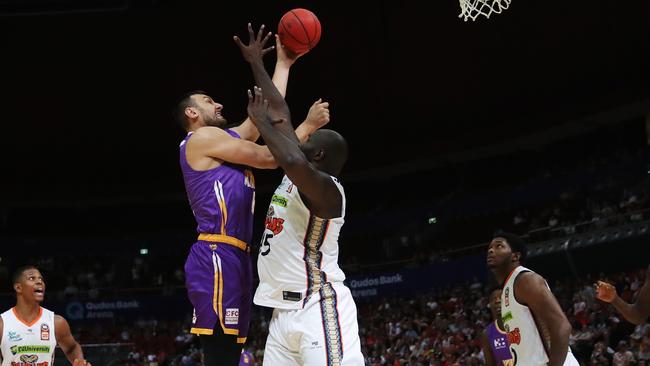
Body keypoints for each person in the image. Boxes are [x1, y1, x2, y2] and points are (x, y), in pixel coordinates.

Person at [177, 24, 329, 366]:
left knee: (232, 350)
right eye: (206, 102)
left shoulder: (225, 141)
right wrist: (306, 127)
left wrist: (284, 65)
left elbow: (261, 118)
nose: (217, 103)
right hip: (216, 252)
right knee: (219, 350)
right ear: (191, 113)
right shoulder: (202, 140)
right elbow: (267, 157)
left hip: (237, 255)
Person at [238, 42, 364, 365]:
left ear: (319, 155)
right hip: (282, 315)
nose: (301, 138)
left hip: (318, 306)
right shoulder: (299, 171)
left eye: (309, 140)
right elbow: (280, 114)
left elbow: (290, 155)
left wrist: (261, 123)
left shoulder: (328, 191)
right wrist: (259, 63)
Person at [487, 232, 578, 366]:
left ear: (515, 256)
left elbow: (562, 326)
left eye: (499, 246)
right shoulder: (508, 288)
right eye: (489, 247)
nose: (490, 250)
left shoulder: (525, 280)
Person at [0, 265, 90, 366]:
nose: (39, 282)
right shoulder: (3, 323)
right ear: (18, 287)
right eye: (31, 278)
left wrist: (79, 362)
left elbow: (72, 348)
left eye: (41, 279)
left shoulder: (56, 322)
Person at [480, 287, 514, 366]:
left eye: (501, 297)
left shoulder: (520, 321)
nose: (497, 301)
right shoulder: (487, 333)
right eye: (493, 299)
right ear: (489, 305)